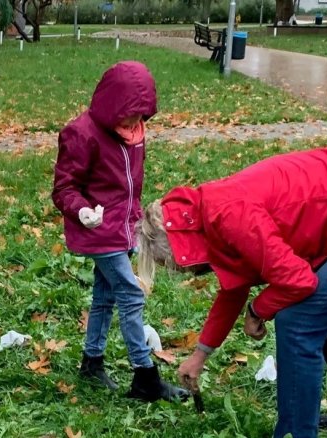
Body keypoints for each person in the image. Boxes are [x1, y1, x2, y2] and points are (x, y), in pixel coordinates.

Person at [136, 146, 327, 437]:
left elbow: (299, 281)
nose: (187, 271)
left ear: (180, 243)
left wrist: (259, 309)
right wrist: (200, 355)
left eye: (177, 264)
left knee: (299, 321)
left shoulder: (230, 215)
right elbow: (234, 287)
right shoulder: (212, 211)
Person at [52, 60, 189, 402]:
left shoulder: (135, 132)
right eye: (128, 116)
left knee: (105, 296)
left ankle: (92, 362)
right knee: (130, 293)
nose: (133, 124)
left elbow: (129, 184)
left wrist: (136, 218)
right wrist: (81, 210)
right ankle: (145, 377)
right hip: (98, 231)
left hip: (124, 226)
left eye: (141, 116)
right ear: (112, 105)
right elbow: (64, 187)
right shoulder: (82, 133)